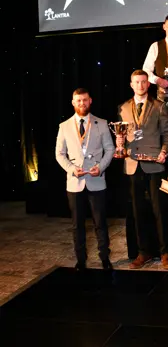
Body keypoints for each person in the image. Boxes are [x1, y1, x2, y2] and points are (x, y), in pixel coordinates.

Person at [117, 70, 168, 270]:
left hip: (154, 164)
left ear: (148, 84)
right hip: (133, 164)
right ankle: (143, 252)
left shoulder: (159, 106)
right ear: (131, 84)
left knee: (159, 210)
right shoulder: (123, 108)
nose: (140, 85)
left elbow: (167, 134)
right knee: (138, 210)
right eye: (137, 82)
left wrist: (164, 151)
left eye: (143, 82)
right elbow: (121, 135)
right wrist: (119, 144)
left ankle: (165, 252)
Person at [55, 88, 115, 271]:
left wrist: (101, 167)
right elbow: (59, 154)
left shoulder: (101, 123)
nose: (82, 103)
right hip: (75, 183)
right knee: (77, 225)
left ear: (90, 101)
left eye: (85, 100)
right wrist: (72, 170)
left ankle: (105, 258)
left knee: (100, 223)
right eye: (78, 100)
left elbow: (110, 149)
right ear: (73, 103)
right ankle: (81, 260)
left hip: (97, 181)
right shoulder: (64, 126)